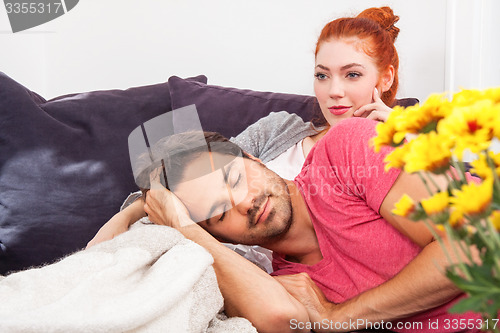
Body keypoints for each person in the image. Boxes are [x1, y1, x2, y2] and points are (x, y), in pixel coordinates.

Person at [87, 6, 402, 248]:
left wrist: (405, 142)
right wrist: (121, 219)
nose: (334, 90)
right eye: (322, 75)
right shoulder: (280, 130)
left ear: (384, 78)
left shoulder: (406, 147)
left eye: (352, 75)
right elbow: (184, 178)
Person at [138, 124, 480, 333]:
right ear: (219, 238)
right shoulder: (282, 283)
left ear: (253, 158)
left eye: (237, 179)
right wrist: (184, 226)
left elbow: (473, 248)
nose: (245, 204)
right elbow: (279, 319)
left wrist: (338, 317)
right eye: (219, 213)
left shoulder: (343, 151)